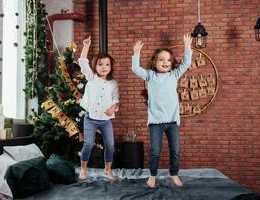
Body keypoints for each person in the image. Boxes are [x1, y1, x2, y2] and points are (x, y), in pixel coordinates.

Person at [132, 34, 193, 188]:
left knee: (175, 150)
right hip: (156, 122)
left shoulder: (174, 75)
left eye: (168, 60)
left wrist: (187, 47)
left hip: (172, 121)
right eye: (161, 59)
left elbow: (186, 63)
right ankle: (152, 175)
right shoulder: (150, 76)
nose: (165, 62)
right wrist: (136, 54)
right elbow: (135, 69)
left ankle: (174, 173)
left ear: (171, 63)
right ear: (155, 62)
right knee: (155, 150)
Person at [78, 36, 119, 181]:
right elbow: (83, 62)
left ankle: (107, 170)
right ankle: (83, 169)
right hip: (90, 119)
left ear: (110, 67)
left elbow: (115, 99)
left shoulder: (113, 83)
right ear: (95, 66)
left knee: (110, 145)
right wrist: (86, 46)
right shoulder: (92, 77)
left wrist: (112, 109)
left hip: (105, 120)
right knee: (88, 143)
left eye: (107, 65)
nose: (104, 67)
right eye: (100, 64)